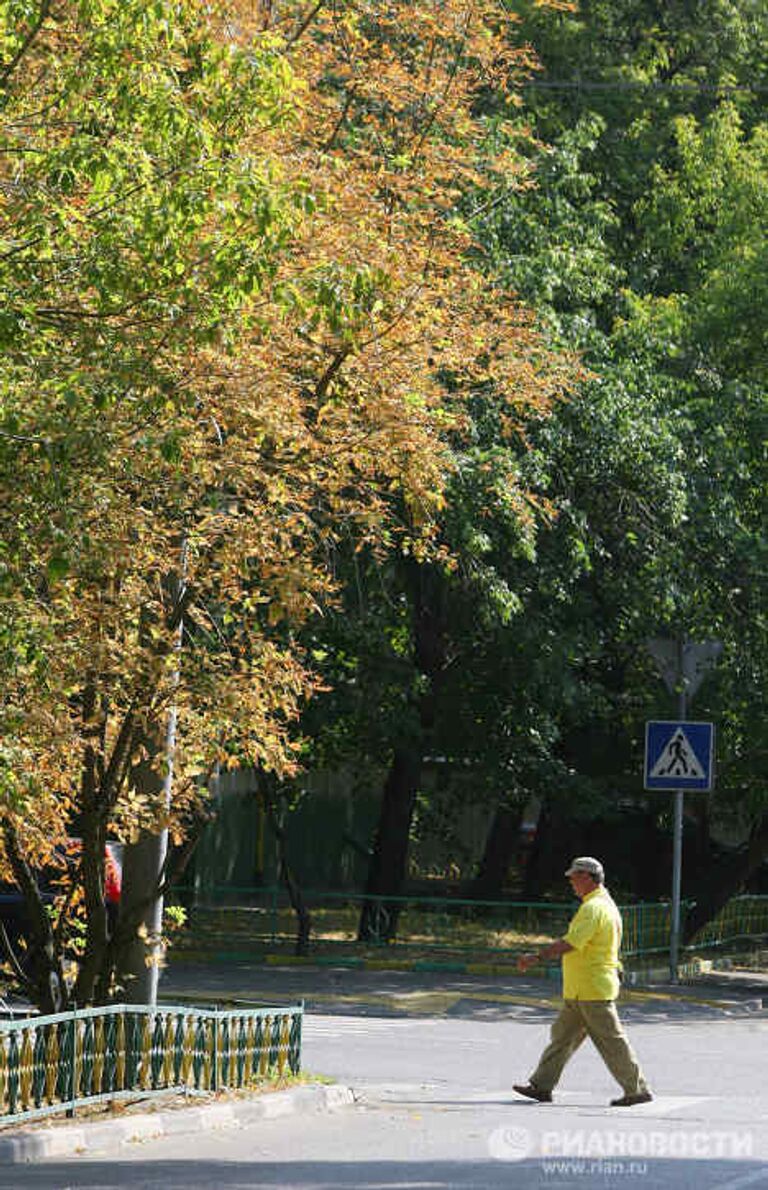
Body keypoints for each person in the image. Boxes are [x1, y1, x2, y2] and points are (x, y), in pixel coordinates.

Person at [513, 855, 652, 1107]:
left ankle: (637, 1089)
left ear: (587, 878)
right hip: (582, 989)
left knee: (612, 1041)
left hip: (592, 989)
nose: (571, 883)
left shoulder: (593, 908)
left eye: (574, 878)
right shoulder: (604, 904)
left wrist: (536, 956)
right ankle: (541, 1086)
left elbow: (571, 943)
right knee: (562, 1038)